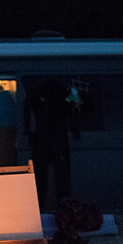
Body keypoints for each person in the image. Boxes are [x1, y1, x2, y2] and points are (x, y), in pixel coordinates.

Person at [24, 78, 81, 209]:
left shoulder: (36, 93)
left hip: (41, 137)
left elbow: (27, 111)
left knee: (40, 178)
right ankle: (64, 208)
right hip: (59, 137)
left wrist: (27, 131)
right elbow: (75, 111)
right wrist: (76, 130)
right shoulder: (68, 92)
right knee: (62, 178)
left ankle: (39, 208)